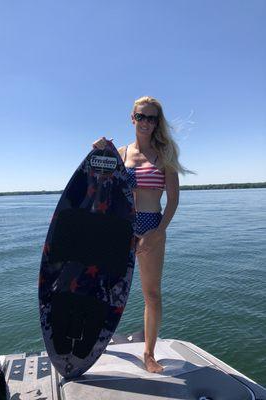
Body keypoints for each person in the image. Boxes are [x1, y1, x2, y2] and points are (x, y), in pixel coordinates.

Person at [93, 96, 188, 373]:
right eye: (141, 116)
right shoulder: (119, 154)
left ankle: (148, 354)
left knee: (152, 294)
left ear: (157, 122)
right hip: (119, 228)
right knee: (106, 290)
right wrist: (98, 151)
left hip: (151, 226)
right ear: (132, 118)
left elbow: (172, 200)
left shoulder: (165, 155)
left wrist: (158, 233)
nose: (146, 122)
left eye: (152, 118)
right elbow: (99, 183)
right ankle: (96, 343)